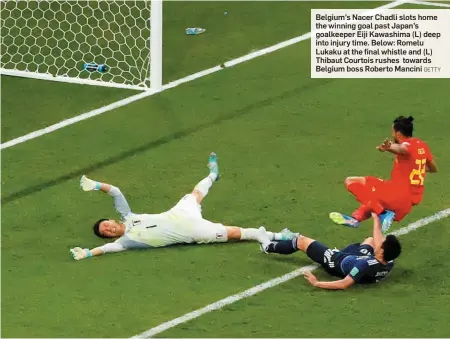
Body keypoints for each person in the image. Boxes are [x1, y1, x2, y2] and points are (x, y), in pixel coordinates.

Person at [70, 153, 298, 260]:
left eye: (106, 224)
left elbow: (116, 192)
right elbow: (108, 249)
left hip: (179, 214)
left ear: (111, 220)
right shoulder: (126, 242)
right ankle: (278, 236)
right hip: (191, 232)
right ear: (110, 237)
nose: (108, 229)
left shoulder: (128, 216)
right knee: (235, 233)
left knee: (196, 194)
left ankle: (212, 174)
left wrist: (96, 185)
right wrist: (89, 253)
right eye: (105, 233)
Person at [330, 116, 437, 233]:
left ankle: (383, 213)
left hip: (398, 195)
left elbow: (403, 149)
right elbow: (433, 169)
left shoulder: (406, 146)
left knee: (351, 181)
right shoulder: (422, 146)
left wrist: (389, 147)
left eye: (393, 131)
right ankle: (356, 218)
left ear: (398, 134)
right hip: (406, 202)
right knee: (374, 197)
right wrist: (416, 166)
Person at [256, 213, 401, 289]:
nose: (379, 242)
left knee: (301, 241)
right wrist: (376, 218)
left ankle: (267, 246)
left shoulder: (363, 266)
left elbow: (344, 283)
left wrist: (317, 283)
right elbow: (377, 240)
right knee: (369, 240)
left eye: (381, 244)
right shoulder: (389, 261)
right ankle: (340, 251)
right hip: (357, 258)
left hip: (337, 262)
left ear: (381, 252)